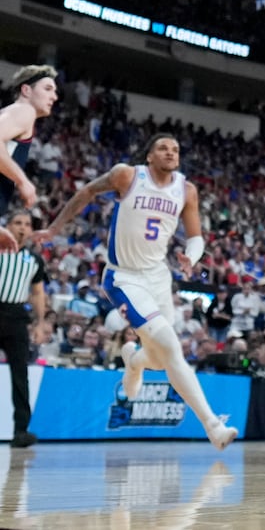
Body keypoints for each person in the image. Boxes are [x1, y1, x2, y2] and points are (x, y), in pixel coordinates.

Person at [38, 134, 237, 449]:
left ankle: (134, 361)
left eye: (175, 149)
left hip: (158, 277)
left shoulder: (186, 190)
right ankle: (212, 425)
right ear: (149, 156)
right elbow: (87, 191)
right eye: (163, 148)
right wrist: (54, 228)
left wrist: (192, 257)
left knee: (159, 360)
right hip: (123, 278)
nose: (170, 152)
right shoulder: (126, 175)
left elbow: (195, 236)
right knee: (171, 346)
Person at [0, 210, 45, 447]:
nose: (22, 228)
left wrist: (40, 323)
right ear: (6, 225)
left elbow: (38, 293)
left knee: (20, 375)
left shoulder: (34, 260)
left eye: (27, 224)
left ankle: (21, 431)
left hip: (17, 316)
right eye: (17, 223)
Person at [0, 65, 56, 209]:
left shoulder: (11, 113)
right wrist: (22, 180)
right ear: (26, 90)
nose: (54, 97)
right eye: (48, 89)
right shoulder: (25, 110)